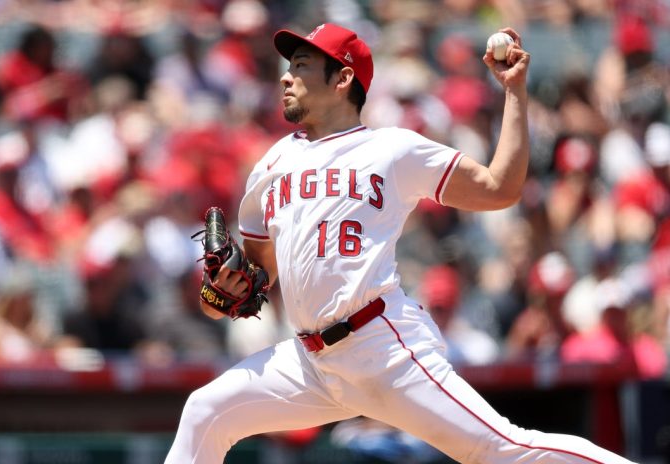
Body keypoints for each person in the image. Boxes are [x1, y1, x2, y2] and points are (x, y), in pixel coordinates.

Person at [165, 23, 636, 463]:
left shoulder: (392, 148)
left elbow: (499, 189)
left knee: (503, 448)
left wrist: (514, 91)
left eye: (302, 65)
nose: (287, 77)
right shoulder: (271, 164)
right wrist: (220, 292)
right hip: (310, 363)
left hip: (381, 348)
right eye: (290, 66)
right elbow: (250, 281)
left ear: (342, 78)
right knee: (206, 411)